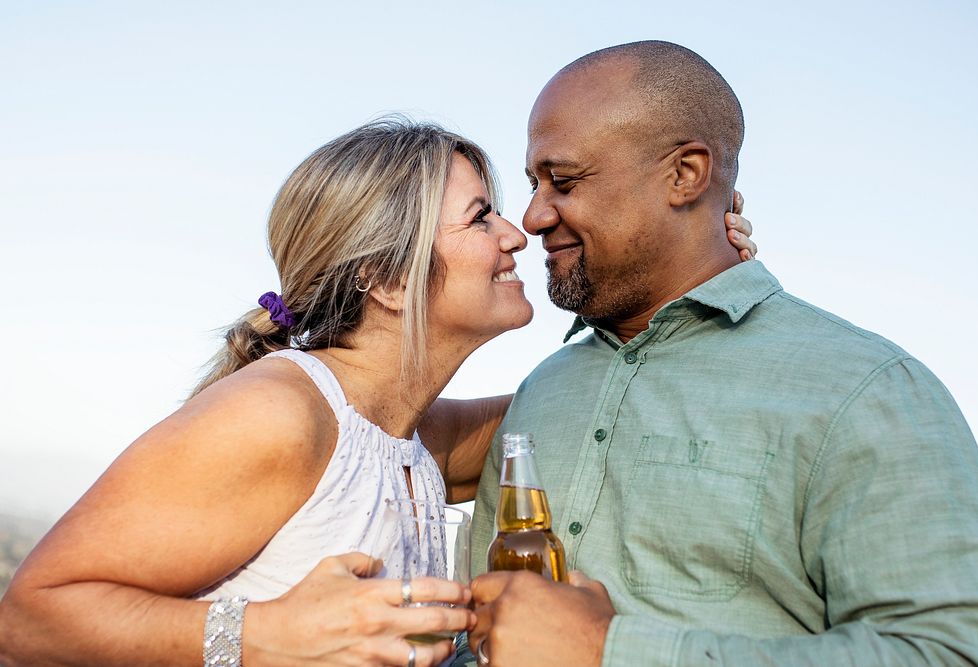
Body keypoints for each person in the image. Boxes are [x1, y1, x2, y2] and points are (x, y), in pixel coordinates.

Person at [0, 115, 759, 667]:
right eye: (479, 215)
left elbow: (595, 402)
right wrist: (264, 633)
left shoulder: (408, 433)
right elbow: (30, 617)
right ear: (389, 279)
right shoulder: (279, 414)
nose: (515, 235)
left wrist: (687, 260)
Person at [465, 41, 978, 666]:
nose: (531, 217)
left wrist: (613, 652)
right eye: (534, 183)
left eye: (565, 181)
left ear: (685, 174)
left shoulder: (864, 388)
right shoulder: (541, 392)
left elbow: (958, 653)